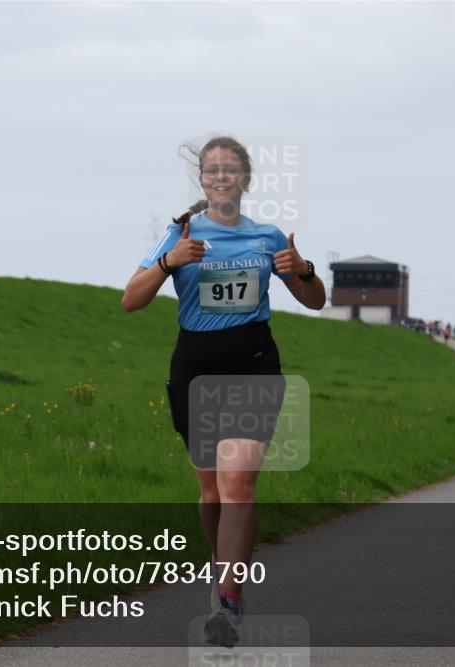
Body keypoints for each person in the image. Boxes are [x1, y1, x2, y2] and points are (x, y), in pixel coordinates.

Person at [122, 136, 326, 647]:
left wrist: (303, 270)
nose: (220, 177)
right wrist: (171, 262)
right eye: (212, 170)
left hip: (254, 365)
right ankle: (224, 573)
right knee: (212, 492)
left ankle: (228, 599)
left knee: (238, 486)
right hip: (195, 368)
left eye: (230, 170)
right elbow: (130, 299)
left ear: (246, 178)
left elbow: (316, 300)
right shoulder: (179, 233)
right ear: (202, 179)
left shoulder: (267, 235)